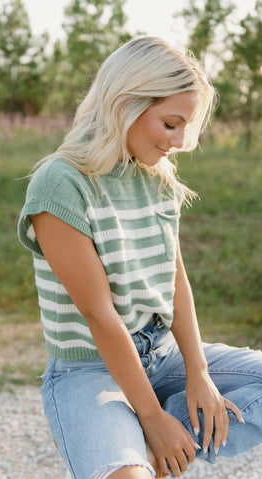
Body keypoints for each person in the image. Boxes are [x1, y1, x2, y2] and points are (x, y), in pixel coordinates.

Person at [18, 37, 262, 479]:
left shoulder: (156, 177)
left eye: (186, 127)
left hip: (161, 354)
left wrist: (198, 372)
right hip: (91, 368)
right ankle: (138, 440)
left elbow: (174, 281)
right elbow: (100, 315)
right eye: (171, 124)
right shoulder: (59, 184)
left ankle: (154, 446)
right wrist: (151, 417)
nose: (180, 141)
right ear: (126, 103)